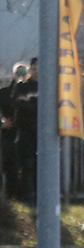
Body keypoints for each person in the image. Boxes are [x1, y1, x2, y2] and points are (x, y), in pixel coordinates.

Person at [11, 58, 38, 204]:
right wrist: (31, 104)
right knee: (27, 164)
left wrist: (29, 102)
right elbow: (16, 103)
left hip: (42, 132)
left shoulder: (48, 86)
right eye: (33, 68)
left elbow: (46, 108)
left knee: (41, 165)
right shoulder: (23, 86)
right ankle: (28, 197)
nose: (36, 71)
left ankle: (42, 196)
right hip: (25, 130)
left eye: (38, 67)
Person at [0, 62, 28, 200]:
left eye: (24, 73)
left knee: (23, 166)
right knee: (7, 164)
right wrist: (1, 123)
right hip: (7, 134)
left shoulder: (30, 92)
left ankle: (21, 196)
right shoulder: (4, 92)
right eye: (18, 73)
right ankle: (6, 197)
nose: (21, 76)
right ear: (13, 74)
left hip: (25, 133)